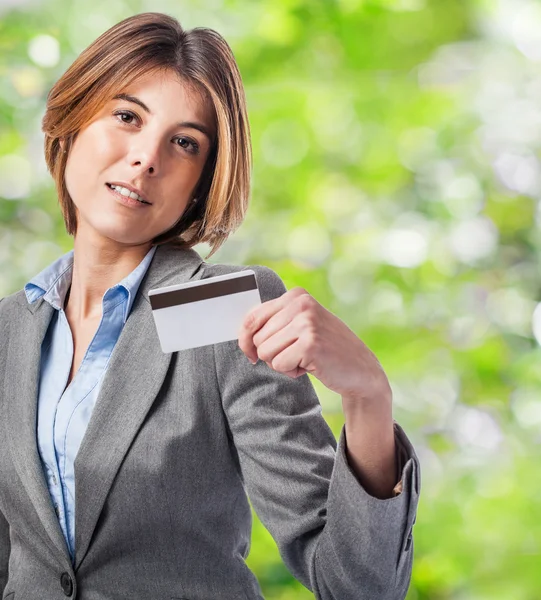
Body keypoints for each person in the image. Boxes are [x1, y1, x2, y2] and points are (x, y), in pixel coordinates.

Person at [0, 11, 420, 600]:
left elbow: (358, 586)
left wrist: (369, 397)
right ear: (69, 122)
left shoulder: (224, 311)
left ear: (202, 181)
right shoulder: (8, 333)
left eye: (184, 143)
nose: (146, 158)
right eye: (126, 117)